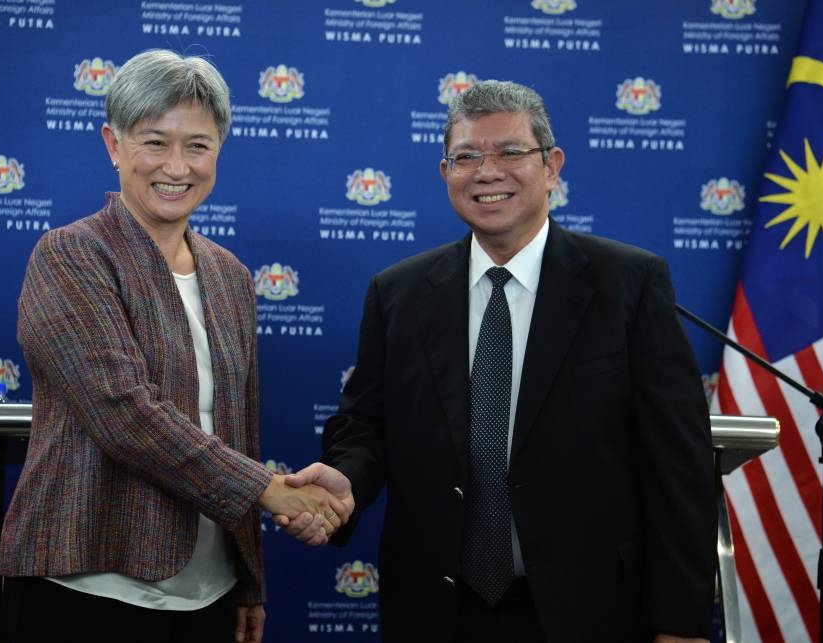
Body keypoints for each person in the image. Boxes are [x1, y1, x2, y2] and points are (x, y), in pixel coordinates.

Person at [278, 80, 717, 642]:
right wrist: (345, 478)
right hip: (438, 612)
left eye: (511, 152)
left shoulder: (627, 285)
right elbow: (367, 426)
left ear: (552, 165)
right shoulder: (399, 294)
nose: (488, 171)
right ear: (445, 174)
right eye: (466, 156)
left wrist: (680, 624)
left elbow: (678, 466)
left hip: (593, 611)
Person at [0, 49, 348, 643]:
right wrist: (274, 493)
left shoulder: (230, 275)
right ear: (114, 145)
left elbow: (237, 431)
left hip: (207, 591)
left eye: (199, 145)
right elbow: (123, 415)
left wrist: (248, 578)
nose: (177, 166)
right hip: (88, 586)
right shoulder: (70, 256)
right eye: (154, 142)